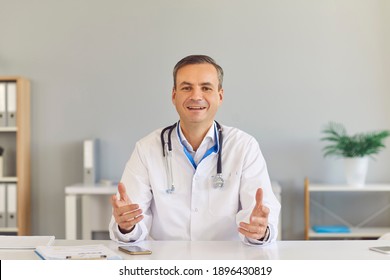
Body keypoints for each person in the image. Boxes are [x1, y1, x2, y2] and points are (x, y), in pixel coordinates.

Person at [109, 55, 281, 246]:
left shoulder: (244, 146)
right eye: (186, 87)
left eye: (206, 88)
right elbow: (132, 226)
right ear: (174, 95)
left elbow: (261, 217)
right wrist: (127, 226)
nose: (196, 96)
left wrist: (259, 230)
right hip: (166, 265)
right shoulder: (147, 148)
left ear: (220, 96)